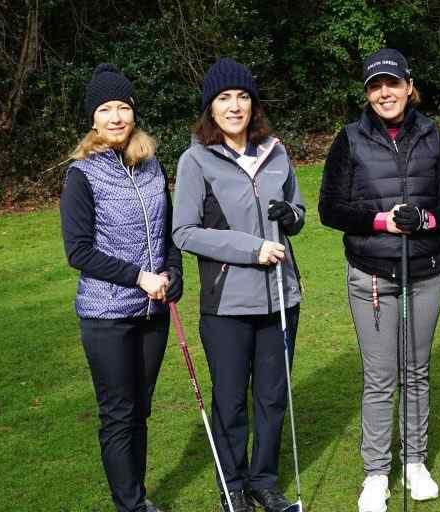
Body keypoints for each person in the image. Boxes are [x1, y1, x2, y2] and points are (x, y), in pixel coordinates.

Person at [319, 48, 440, 512]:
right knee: (381, 377)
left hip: (425, 272)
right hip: (372, 275)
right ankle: (376, 474)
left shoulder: (432, 135)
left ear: (408, 87)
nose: (385, 93)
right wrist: (381, 221)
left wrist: (423, 219)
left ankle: (415, 463)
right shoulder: (349, 139)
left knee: (416, 371)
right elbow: (330, 209)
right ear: (368, 93)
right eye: (375, 86)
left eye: (392, 84)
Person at [172, 58, 305, 512]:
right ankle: (232, 488)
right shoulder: (195, 160)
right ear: (210, 108)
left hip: (281, 297)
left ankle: (264, 482)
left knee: (272, 398)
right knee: (230, 403)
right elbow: (184, 232)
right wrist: (251, 249)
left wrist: (292, 216)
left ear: (254, 104)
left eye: (243, 97)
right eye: (224, 98)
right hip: (227, 304)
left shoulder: (276, 152)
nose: (235, 106)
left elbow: (298, 211)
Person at [59, 63, 182, 512]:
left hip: (152, 312)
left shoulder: (151, 165)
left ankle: (138, 496)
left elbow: (168, 233)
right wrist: (138, 277)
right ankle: (130, 505)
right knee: (118, 413)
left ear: (133, 113)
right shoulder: (82, 174)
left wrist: (173, 274)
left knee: (140, 410)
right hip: (106, 315)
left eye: (123, 108)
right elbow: (78, 252)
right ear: (93, 119)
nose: (115, 117)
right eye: (105, 109)